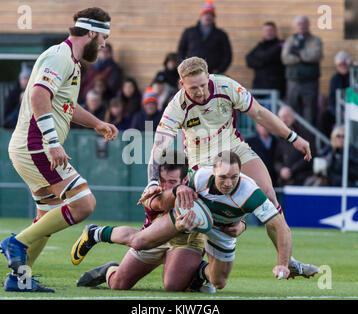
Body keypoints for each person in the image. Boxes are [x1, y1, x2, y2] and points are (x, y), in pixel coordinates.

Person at [138, 56, 316, 278]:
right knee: (207, 220)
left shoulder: (226, 86)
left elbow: (259, 113)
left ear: (209, 76)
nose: (200, 92)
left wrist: (293, 138)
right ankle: (200, 268)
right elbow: (158, 145)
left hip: (234, 150)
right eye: (193, 88)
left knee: (269, 196)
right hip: (201, 162)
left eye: (203, 85)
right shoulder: (177, 105)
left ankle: (286, 261)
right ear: (182, 84)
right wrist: (153, 180)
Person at [0, 7, 118, 293]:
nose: (103, 44)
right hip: (35, 145)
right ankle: (15, 244)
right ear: (90, 32)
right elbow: (40, 94)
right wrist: (52, 143)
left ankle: (20, 278)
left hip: (31, 145)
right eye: (103, 37)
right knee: (84, 203)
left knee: (47, 217)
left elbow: (66, 106)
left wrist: (97, 123)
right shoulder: (60, 56)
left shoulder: (71, 62)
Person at [72, 151, 318, 291]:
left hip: (211, 232)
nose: (228, 183)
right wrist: (177, 191)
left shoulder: (251, 193)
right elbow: (155, 204)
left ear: (240, 174)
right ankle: (96, 235)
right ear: (213, 171)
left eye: (234, 177)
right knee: (128, 265)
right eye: (223, 177)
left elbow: (279, 226)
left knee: (214, 283)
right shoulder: (195, 178)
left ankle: (199, 272)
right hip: (179, 221)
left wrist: (282, 263)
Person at [74, 151, 214, 293]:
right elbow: (161, 204)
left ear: (185, 179)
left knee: (173, 286)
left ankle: (198, 272)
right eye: (162, 181)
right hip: (154, 235)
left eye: (172, 182)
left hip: (186, 241)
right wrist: (176, 189)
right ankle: (105, 257)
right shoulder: (153, 190)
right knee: (118, 284)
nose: (165, 186)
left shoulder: (199, 184)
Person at [281, 15, 323, 126]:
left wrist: (297, 53)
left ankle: (309, 137)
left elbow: (315, 56)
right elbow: (285, 59)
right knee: (291, 110)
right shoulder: (290, 40)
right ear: (295, 26)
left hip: (310, 82)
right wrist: (304, 55)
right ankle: (292, 138)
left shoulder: (315, 40)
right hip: (293, 81)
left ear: (308, 25)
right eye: (299, 24)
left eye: (304, 23)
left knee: (310, 112)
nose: (302, 26)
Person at [177, 1, 232, 74]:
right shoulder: (189, 32)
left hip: (212, 73)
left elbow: (227, 55)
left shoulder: (221, 35)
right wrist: (185, 67)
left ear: (213, 18)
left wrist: (219, 70)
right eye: (206, 14)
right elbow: (180, 51)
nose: (208, 16)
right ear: (201, 16)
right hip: (191, 72)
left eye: (211, 14)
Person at [274, 106, 314, 187]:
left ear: (293, 117)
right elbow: (276, 160)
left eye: (286, 116)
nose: (284, 119)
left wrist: (291, 170)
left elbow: (310, 155)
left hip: (302, 180)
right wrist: (281, 170)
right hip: (283, 181)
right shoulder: (278, 136)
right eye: (281, 117)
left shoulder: (305, 134)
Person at [245, 21, 286, 99]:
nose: (268, 32)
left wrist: (260, 59)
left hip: (275, 88)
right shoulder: (260, 46)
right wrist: (263, 62)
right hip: (259, 87)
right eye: (266, 30)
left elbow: (268, 56)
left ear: (275, 31)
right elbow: (248, 60)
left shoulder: (281, 44)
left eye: (271, 30)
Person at [3, 62, 32, 129]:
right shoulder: (13, 93)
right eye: (24, 78)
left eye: (27, 78)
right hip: (13, 122)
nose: (25, 81)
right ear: (20, 79)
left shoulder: (34, 91)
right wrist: (21, 101)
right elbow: (8, 119)